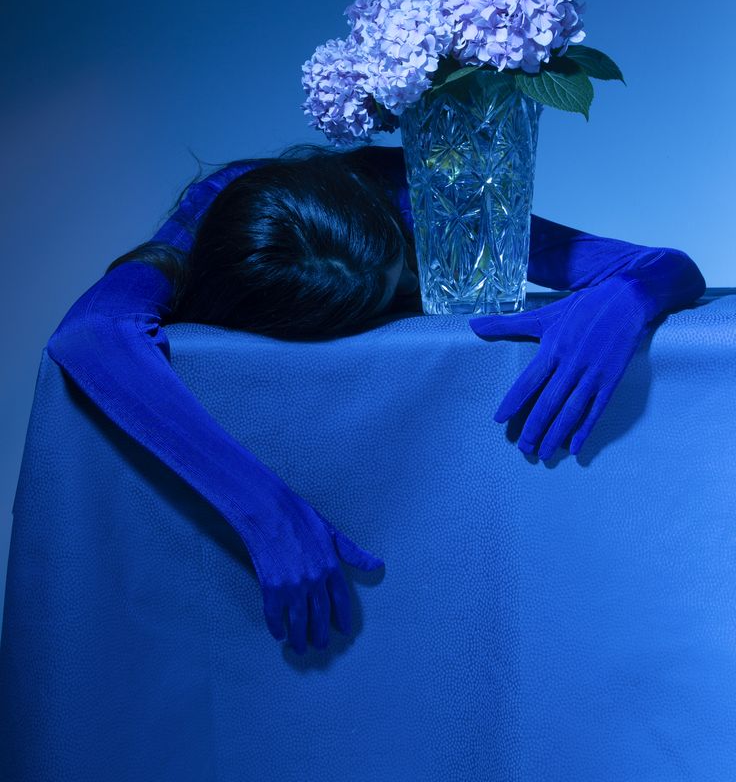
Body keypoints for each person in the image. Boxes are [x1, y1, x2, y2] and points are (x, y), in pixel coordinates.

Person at [45, 141, 706, 655]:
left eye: (402, 278)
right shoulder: (215, 221)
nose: (411, 289)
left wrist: (627, 296)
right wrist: (265, 509)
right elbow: (89, 334)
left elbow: (658, 263)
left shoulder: (413, 192)